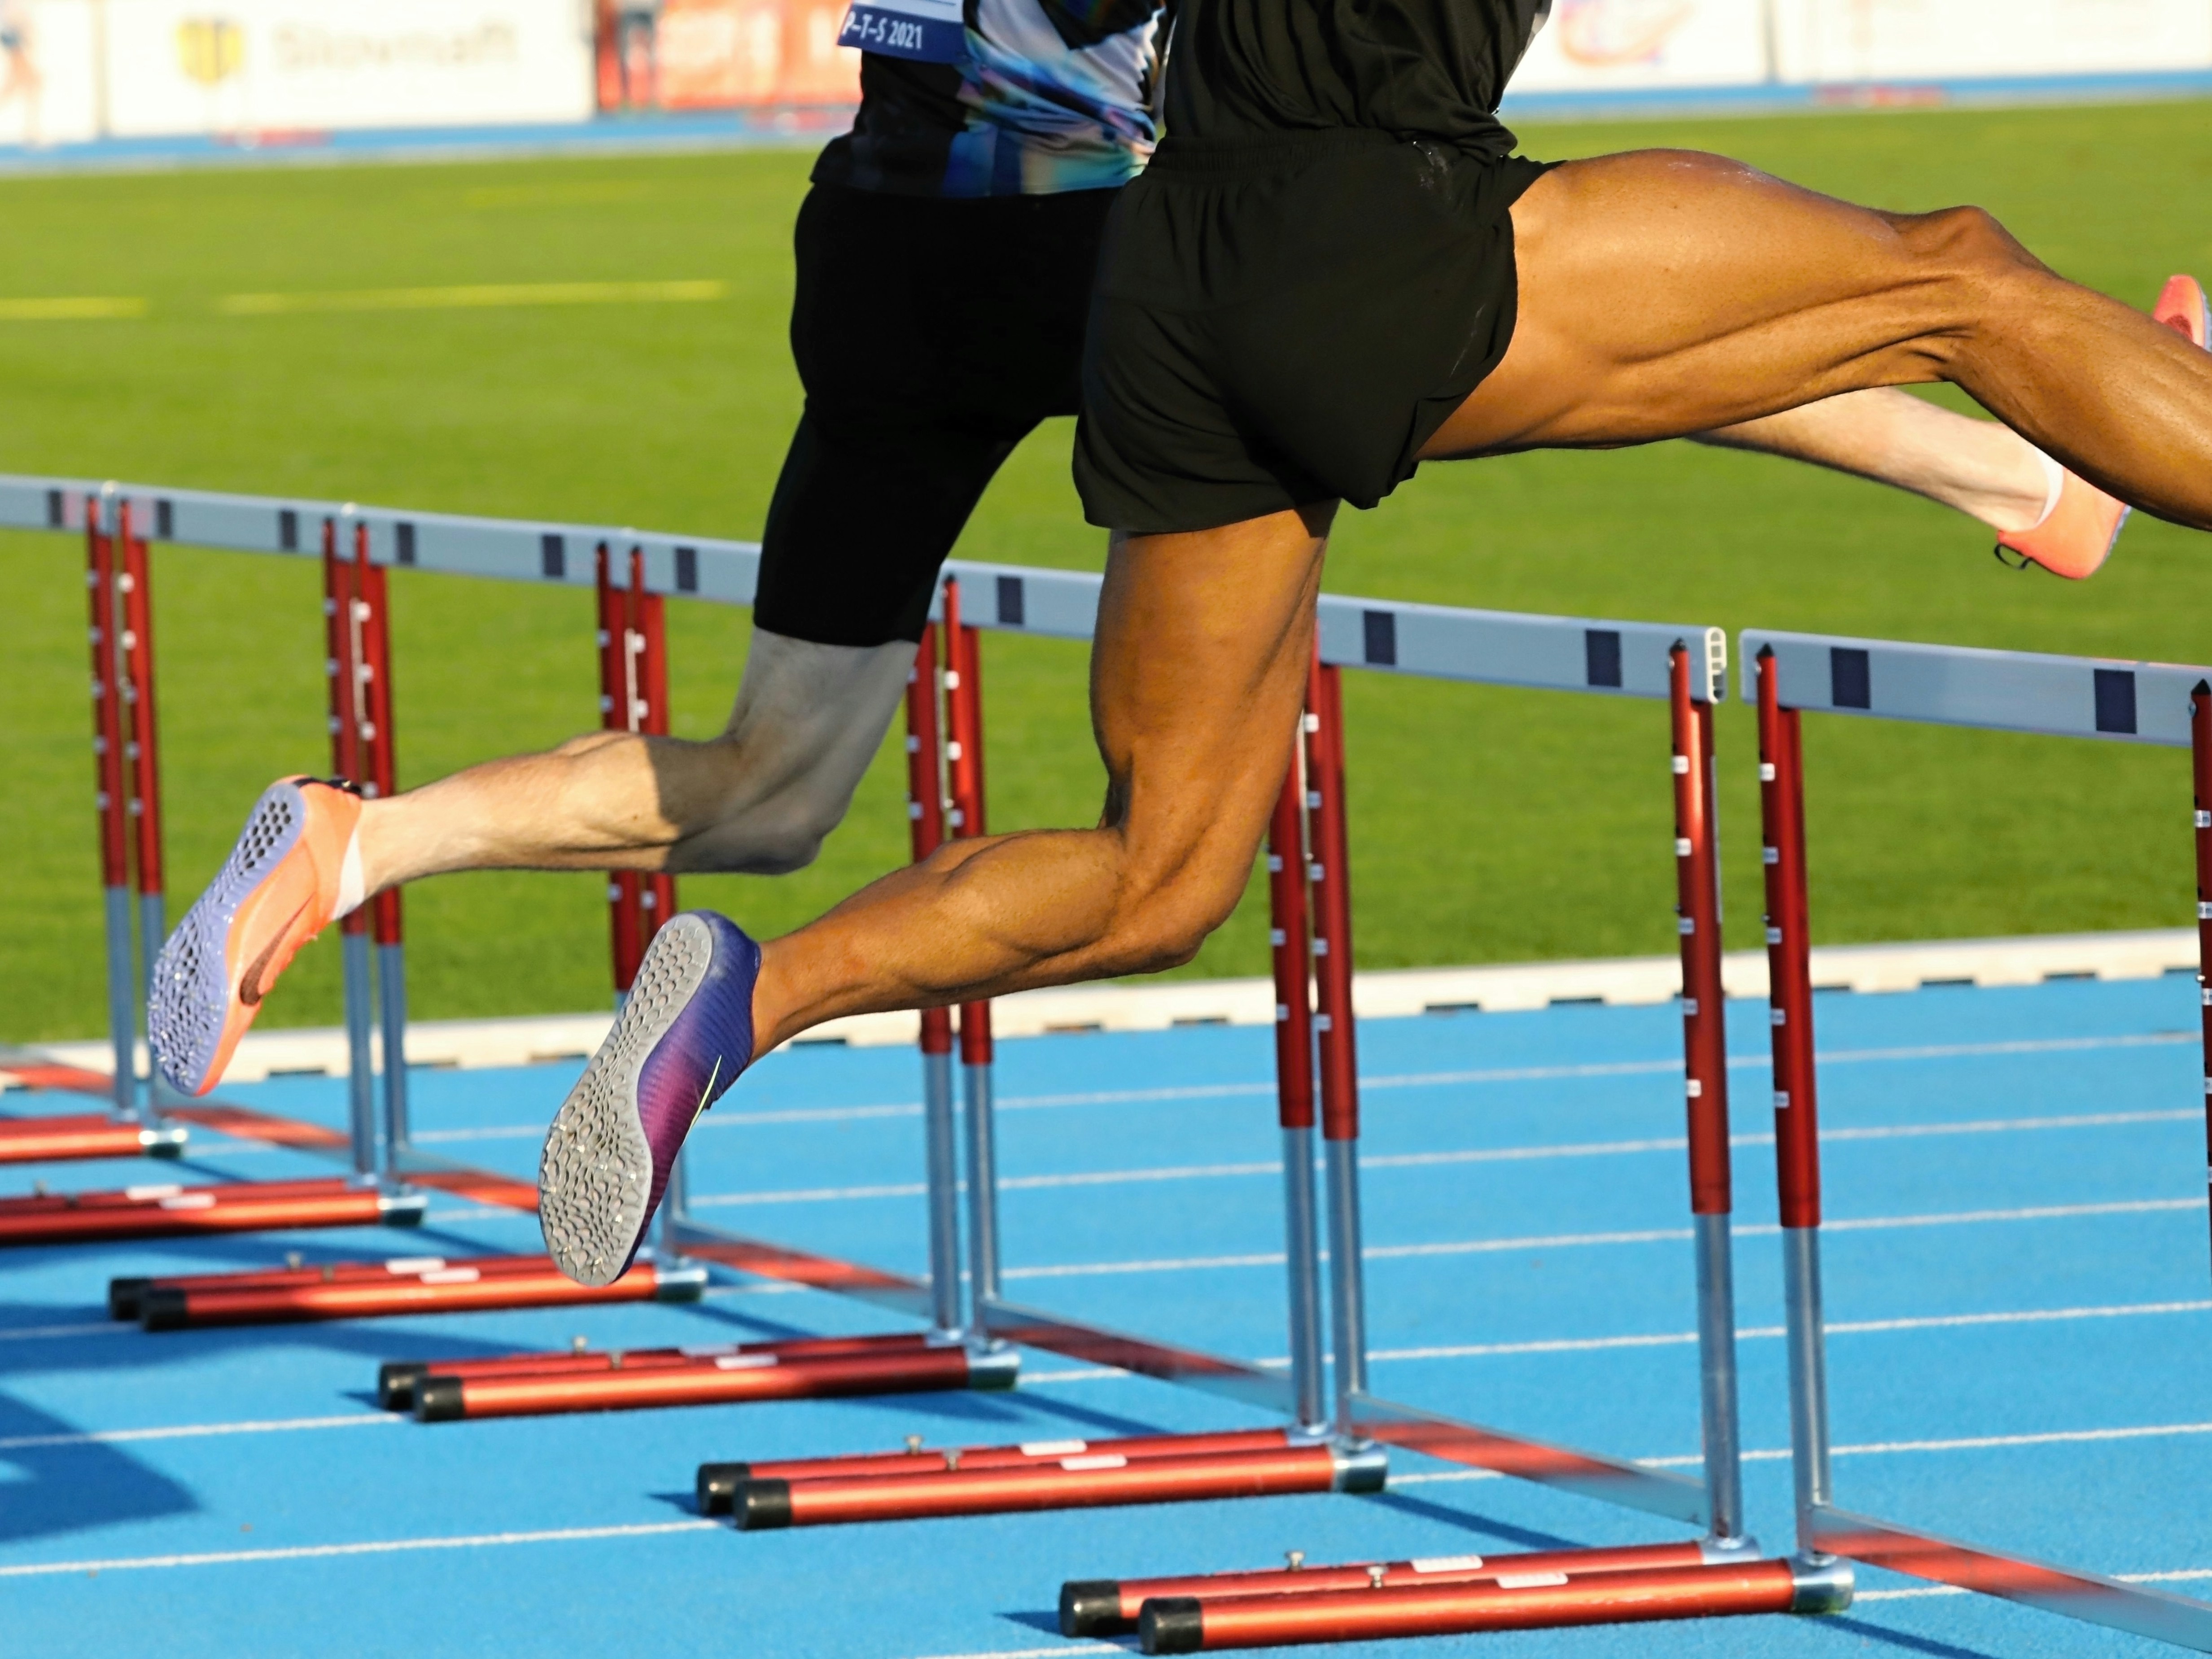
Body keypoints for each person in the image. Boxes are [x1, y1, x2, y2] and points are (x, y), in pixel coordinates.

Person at [145, 0, 2209, 1284]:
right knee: (1922, 283)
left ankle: (555, 924)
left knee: (991, 829)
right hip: (1234, 230)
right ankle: (2036, 481)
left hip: (1021, 271)